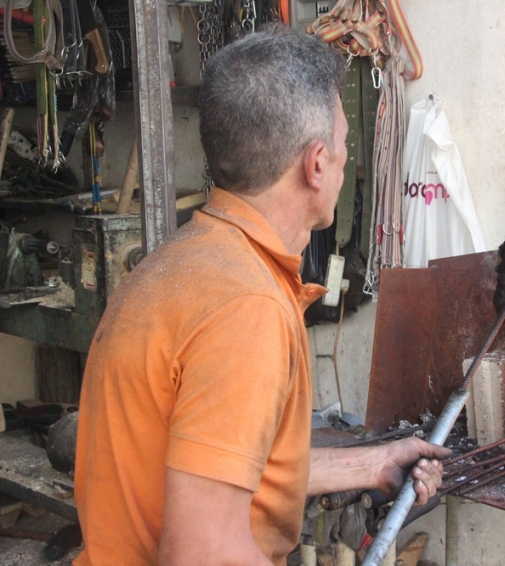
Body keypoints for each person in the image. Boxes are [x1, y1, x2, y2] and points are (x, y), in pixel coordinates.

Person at [73, 29, 451, 566]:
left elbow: (230, 465)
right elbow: (203, 553)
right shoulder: (246, 309)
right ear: (316, 165)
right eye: (343, 145)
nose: (345, 161)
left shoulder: (182, 263)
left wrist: (374, 463)